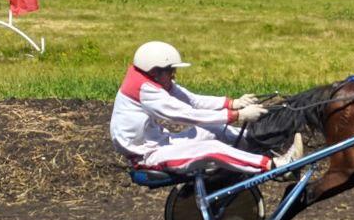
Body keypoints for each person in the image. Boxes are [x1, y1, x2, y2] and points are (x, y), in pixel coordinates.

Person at [110, 40, 302, 174]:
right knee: (212, 148)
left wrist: (232, 103)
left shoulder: (153, 80)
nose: (174, 75)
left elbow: (192, 100)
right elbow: (186, 114)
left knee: (212, 129)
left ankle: (260, 142)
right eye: (171, 71)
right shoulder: (146, 90)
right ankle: (276, 166)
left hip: (160, 142)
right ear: (156, 72)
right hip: (147, 157)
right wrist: (236, 115)